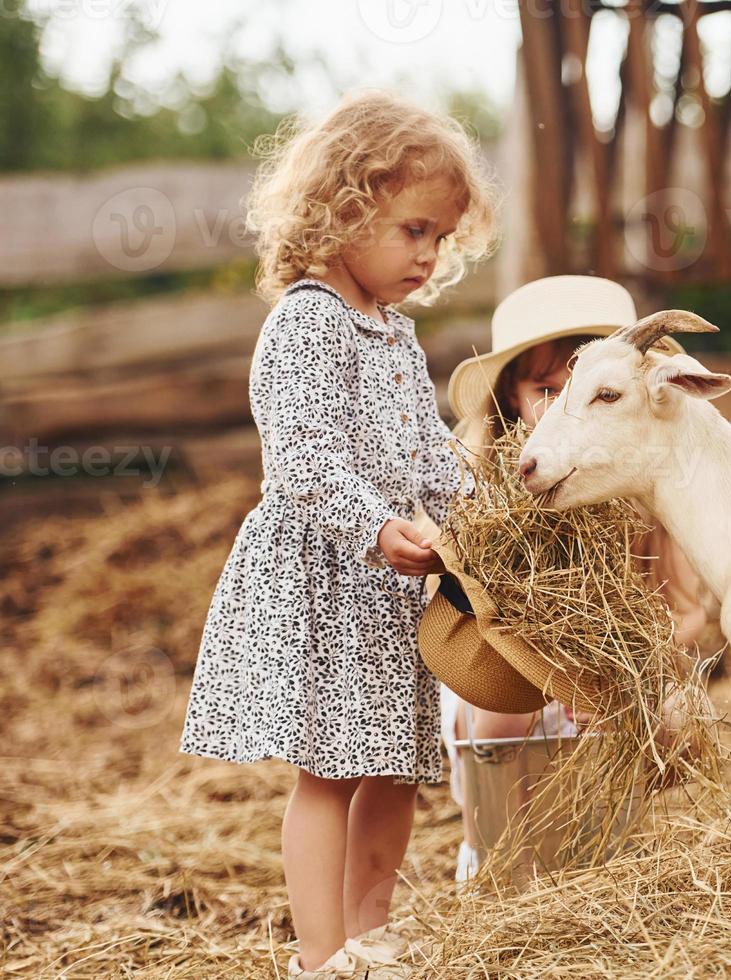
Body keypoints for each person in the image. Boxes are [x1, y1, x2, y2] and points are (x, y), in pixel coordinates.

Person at [178, 90, 498, 979]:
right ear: (343, 209)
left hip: (391, 589)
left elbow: (425, 447)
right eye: (413, 231)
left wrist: (485, 512)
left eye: (442, 238)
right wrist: (373, 527)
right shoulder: (306, 325)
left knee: (393, 768)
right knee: (326, 770)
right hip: (325, 576)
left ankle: (371, 935)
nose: (429, 255)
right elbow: (301, 455)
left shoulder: (394, 335)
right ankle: (321, 958)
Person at [413, 275, 711, 881]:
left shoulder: (647, 491)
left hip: (607, 683)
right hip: (504, 673)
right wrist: (559, 677)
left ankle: (605, 854)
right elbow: (470, 620)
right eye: (547, 389)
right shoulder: (483, 492)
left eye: (591, 393)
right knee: (498, 716)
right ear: (509, 399)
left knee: (676, 719)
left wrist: (624, 681)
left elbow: (684, 613)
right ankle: (499, 861)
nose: (564, 410)